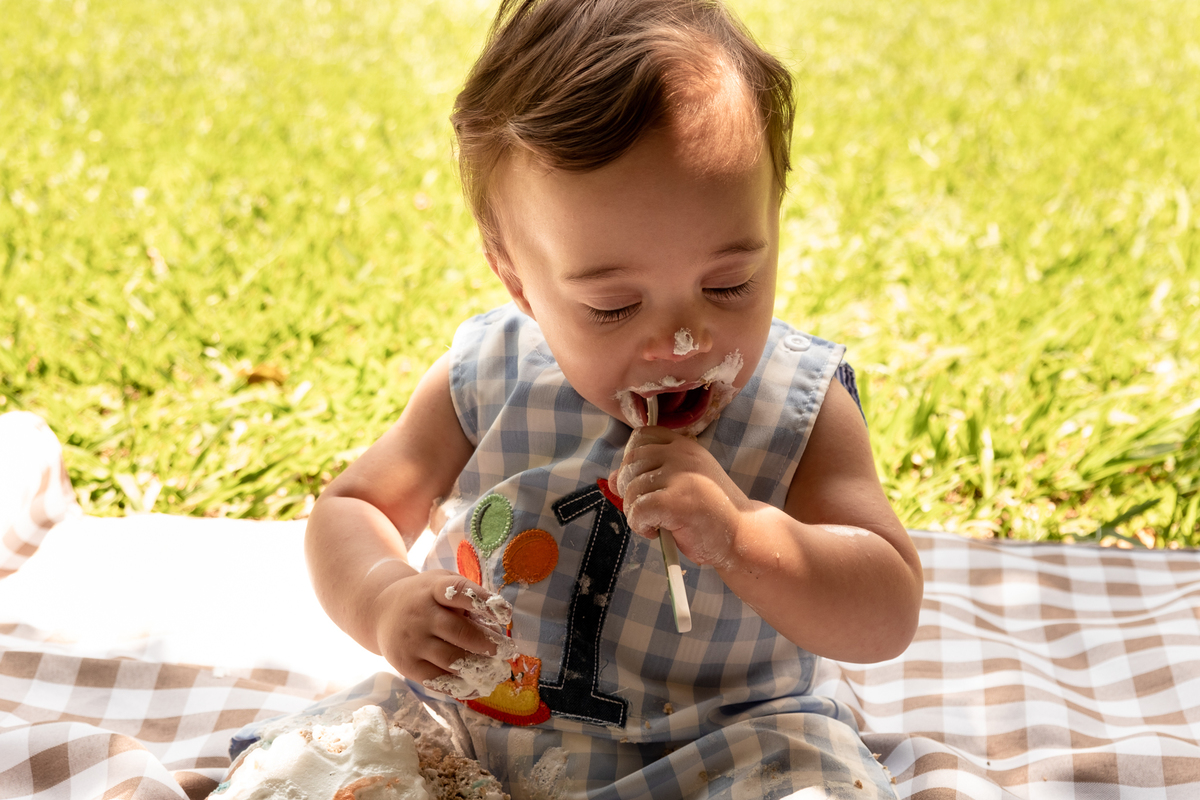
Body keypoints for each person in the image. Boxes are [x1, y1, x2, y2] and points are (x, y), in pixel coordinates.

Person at [305, 0, 923, 796]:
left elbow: (886, 608)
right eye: (614, 306)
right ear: (518, 279)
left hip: (734, 746)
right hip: (478, 730)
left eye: (730, 283)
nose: (683, 341)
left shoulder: (794, 406)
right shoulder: (491, 374)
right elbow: (352, 508)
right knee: (326, 770)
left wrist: (742, 534)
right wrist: (385, 599)